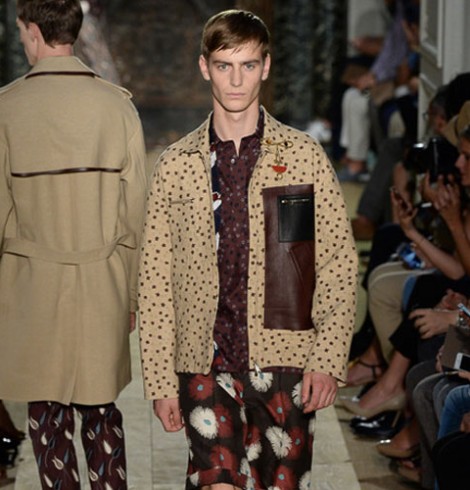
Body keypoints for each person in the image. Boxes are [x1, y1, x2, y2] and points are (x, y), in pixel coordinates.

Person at [138, 9, 357, 490]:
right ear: (204, 67)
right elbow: (154, 283)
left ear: (266, 66)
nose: (236, 80)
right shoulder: (176, 165)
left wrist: (327, 357)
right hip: (204, 359)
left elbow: (337, 265)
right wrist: (160, 382)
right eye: (224, 65)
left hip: (286, 359)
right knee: (217, 482)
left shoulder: (302, 156)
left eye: (248, 65)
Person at [0, 1, 147, 488]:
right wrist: (131, 295)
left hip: (31, 284)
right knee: (101, 411)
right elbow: (135, 216)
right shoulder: (116, 106)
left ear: (33, 31)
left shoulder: (6, 108)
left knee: (46, 415)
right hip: (102, 282)